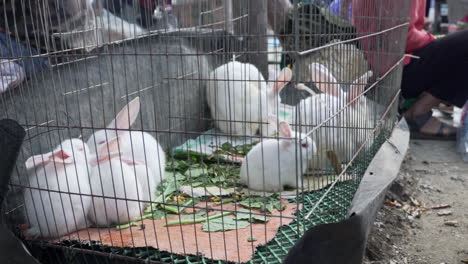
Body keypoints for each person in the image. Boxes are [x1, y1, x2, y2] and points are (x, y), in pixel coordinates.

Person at [353, 0, 468, 140]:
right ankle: (418, 113)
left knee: (454, 45)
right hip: (393, 71)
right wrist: (429, 37)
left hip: (385, 64)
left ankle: (417, 110)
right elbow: (402, 37)